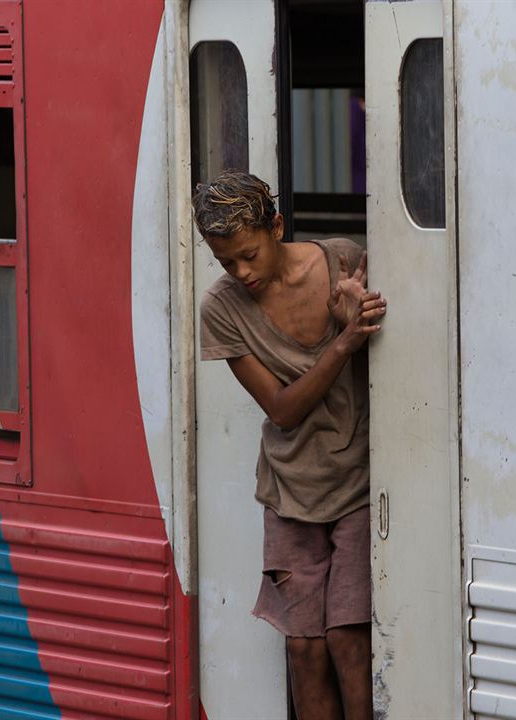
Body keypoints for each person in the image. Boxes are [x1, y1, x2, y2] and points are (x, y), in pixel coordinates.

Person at [194, 170, 385, 720]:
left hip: (360, 483)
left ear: (275, 226)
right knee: (303, 648)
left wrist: (363, 324)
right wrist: (344, 342)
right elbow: (281, 409)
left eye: (249, 255)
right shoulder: (222, 309)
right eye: (226, 262)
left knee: (349, 639)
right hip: (290, 491)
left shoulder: (344, 264)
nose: (241, 272)